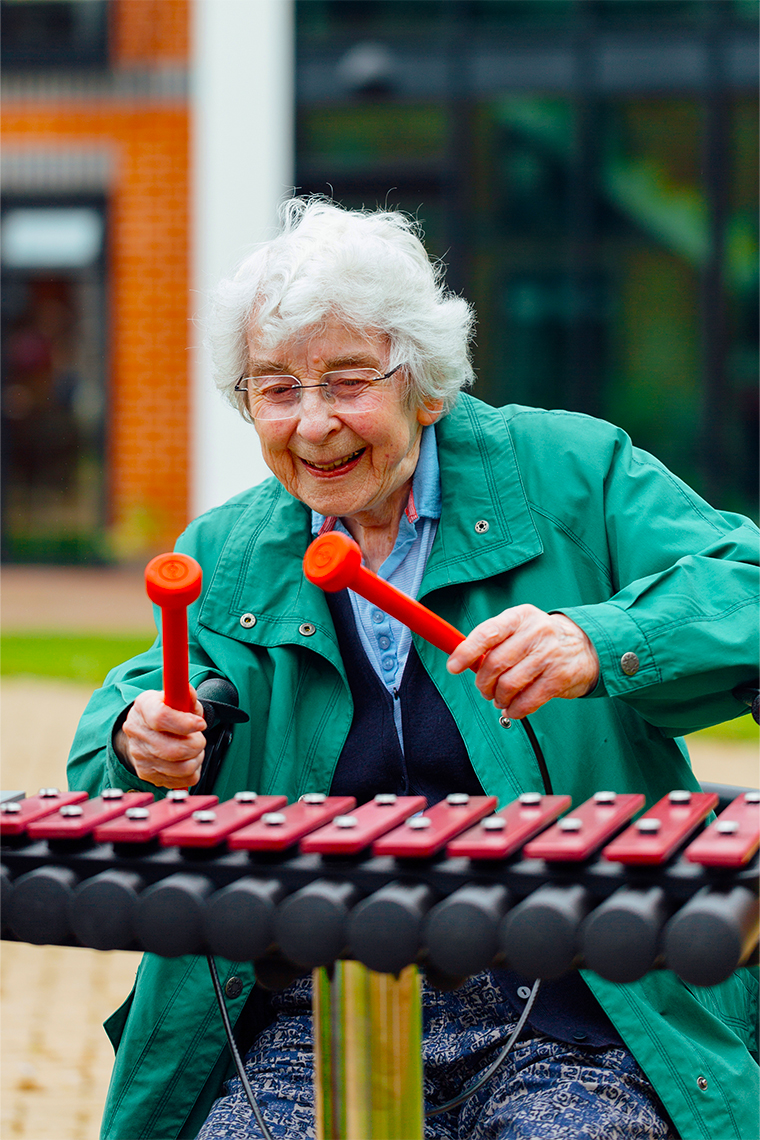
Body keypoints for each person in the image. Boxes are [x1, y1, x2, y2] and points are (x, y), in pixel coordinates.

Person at [68, 198, 759, 1140]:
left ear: (424, 385)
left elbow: (745, 586)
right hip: (306, 1012)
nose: (313, 426)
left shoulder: (572, 473)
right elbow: (135, 720)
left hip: (567, 1005)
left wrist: (599, 638)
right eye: (276, 388)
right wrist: (134, 733)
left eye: (348, 381)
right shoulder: (228, 550)